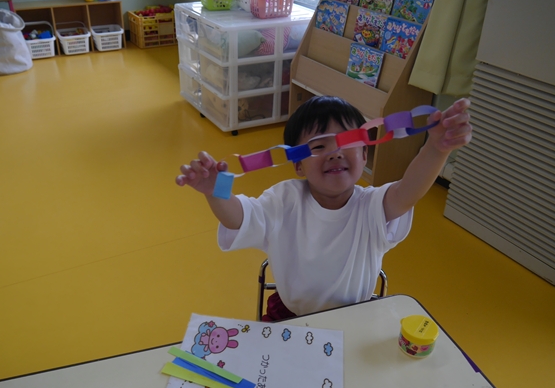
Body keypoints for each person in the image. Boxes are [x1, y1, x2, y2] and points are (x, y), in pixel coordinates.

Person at [176, 96, 472, 320]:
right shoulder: (283, 200)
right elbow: (239, 218)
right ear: (298, 165)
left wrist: (436, 148)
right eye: (318, 146)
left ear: (364, 154)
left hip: (355, 320)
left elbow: (408, 191)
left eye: (347, 142)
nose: (335, 153)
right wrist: (216, 192)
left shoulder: (372, 207)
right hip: (290, 316)